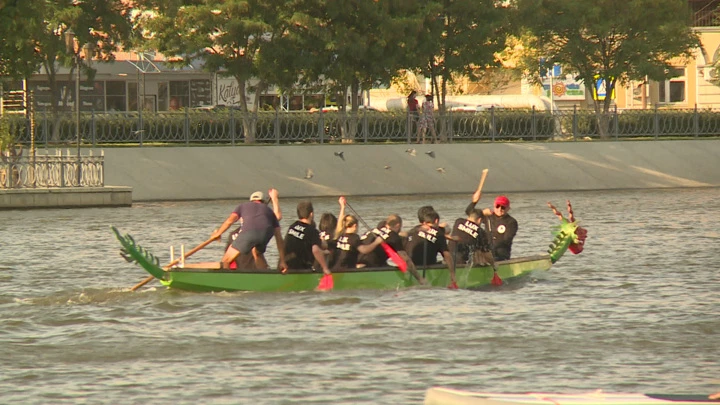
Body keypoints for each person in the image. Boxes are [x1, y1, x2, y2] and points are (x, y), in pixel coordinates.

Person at [211, 190, 287, 271]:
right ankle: (263, 275)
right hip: (266, 234)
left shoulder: (243, 206)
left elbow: (230, 221)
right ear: (264, 202)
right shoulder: (269, 211)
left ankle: (228, 281)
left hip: (249, 233)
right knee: (257, 253)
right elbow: (279, 238)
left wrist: (218, 233)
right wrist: (282, 261)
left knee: (225, 261)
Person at [359, 214, 427, 284]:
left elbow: (401, 234)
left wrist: (415, 231)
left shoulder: (373, 230)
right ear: (398, 225)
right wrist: (419, 278)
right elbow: (406, 259)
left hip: (356, 263)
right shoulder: (394, 238)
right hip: (370, 266)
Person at [405, 209, 457, 286]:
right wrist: (452, 274)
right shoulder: (439, 234)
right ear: (436, 221)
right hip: (424, 265)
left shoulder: (416, 228)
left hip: (408, 264)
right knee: (447, 261)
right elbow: (447, 255)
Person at [283, 201, 331, 275]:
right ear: (311, 214)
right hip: (300, 269)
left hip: (285, 265)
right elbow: (316, 250)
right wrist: (325, 268)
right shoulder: (312, 231)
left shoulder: (293, 226)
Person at [467, 194, 518, 261]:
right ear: (494, 206)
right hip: (486, 252)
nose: (499, 209)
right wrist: (475, 202)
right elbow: (469, 213)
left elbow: (506, 240)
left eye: (503, 207)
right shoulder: (488, 216)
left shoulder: (511, 222)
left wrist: (486, 249)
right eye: (497, 206)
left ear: (508, 208)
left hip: (501, 255)